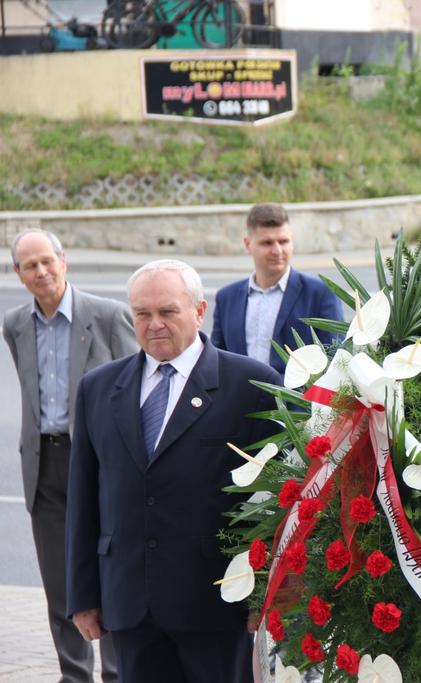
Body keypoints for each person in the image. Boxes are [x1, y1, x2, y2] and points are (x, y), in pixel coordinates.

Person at [66, 260, 280, 682]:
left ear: (200, 311)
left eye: (167, 311)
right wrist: (82, 595)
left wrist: (268, 596)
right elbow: (84, 497)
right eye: (142, 314)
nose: (154, 324)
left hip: (215, 605)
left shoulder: (252, 386)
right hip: (129, 604)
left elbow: (278, 499)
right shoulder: (99, 388)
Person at [2, 229, 133, 683]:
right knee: (60, 582)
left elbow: (135, 393)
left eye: (47, 261)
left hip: (99, 464)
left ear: (64, 260)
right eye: (30, 266)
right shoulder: (15, 324)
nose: (41, 272)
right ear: (18, 275)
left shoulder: (109, 316)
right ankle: (74, 674)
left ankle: (117, 674)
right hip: (46, 465)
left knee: (109, 573)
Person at [211, 203, 343, 373]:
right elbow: (217, 360)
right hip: (241, 399)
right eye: (267, 243)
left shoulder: (320, 294)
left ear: (292, 241)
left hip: (296, 399)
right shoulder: (226, 298)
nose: (277, 250)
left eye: (283, 241)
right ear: (247, 244)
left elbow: (335, 359)